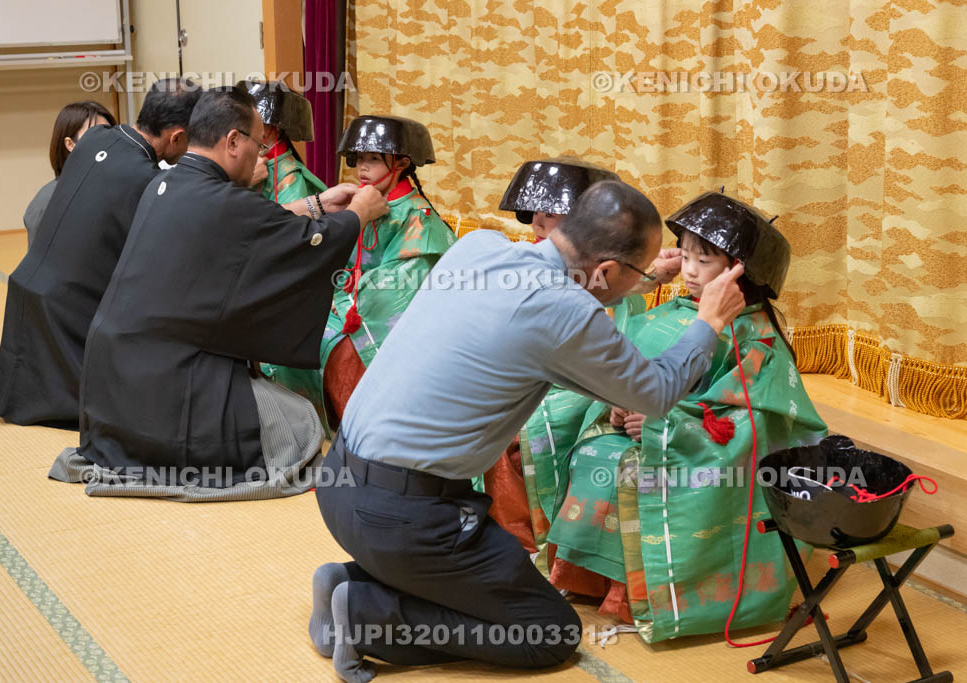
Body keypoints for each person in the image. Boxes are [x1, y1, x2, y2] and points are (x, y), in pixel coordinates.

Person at [310, 180, 747, 681]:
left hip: (341, 484)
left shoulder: (479, 247)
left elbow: (565, 301)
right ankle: (364, 617)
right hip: (406, 519)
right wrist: (708, 322)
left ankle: (349, 581)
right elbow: (653, 393)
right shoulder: (566, 312)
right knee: (547, 633)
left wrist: (642, 281)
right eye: (640, 271)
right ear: (605, 270)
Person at [48, 85, 387, 502]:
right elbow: (298, 241)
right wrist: (359, 213)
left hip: (109, 384)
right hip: (165, 386)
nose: (261, 156)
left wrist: (316, 204)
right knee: (300, 425)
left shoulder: (167, 183)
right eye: (258, 145)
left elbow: (256, 228)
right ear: (232, 141)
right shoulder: (224, 200)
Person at [540, 192, 828, 642]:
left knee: (630, 471)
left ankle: (641, 595)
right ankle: (594, 583)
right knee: (594, 450)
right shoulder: (672, 310)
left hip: (686, 450)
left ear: (740, 271)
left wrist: (660, 425)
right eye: (686, 256)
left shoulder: (756, 335)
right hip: (645, 433)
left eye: (704, 260)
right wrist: (617, 401)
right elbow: (625, 364)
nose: (689, 271)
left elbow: (750, 420)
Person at [482, 157, 677, 553]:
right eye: (538, 208)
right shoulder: (526, 255)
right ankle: (501, 529)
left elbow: (599, 299)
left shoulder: (597, 274)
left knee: (530, 426)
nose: (540, 218)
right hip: (535, 365)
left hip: (575, 377)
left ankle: (532, 536)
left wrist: (650, 274)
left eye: (554, 211)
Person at [0, 78, 201, 429]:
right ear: (178, 136)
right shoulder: (146, 179)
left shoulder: (97, 139)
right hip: (68, 307)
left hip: (26, 285)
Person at [262, 115, 456, 436]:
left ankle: (361, 440)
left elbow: (400, 286)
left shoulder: (418, 217)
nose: (362, 168)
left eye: (374, 159)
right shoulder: (357, 204)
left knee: (333, 343)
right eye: (359, 159)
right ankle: (296, 433)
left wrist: (339, 301)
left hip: (382, 314)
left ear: (403, 163)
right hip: (346, 299)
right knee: (287, 325)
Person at [24, 101, 117, 247]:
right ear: (70, 144)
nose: (107, 142)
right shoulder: (49, 199)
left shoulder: (113, 189)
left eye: (110, 134)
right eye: (96, 134)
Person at [240, 79, 328, 203]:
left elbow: (284, 221)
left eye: (255, 122)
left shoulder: (290, 178)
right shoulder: (238, 158)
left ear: (277, 128)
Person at [497, 157, 618, 243]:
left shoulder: (591, 265)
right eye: (535, 213)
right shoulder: (527, 253)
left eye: (549, 215)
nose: (537, 225)